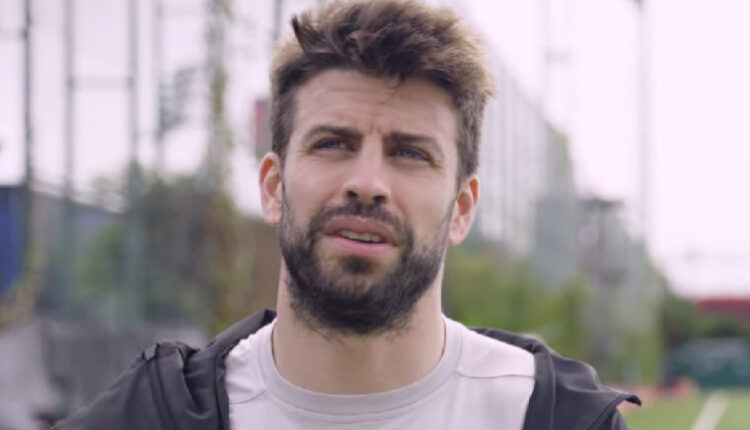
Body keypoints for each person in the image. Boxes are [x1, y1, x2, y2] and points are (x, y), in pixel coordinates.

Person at [53, 1, 639, 429]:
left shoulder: (555, 417)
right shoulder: (156, 416)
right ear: (273, 187)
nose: (367, 183)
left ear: (462, 209)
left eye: (410, 153)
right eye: (333, 143)